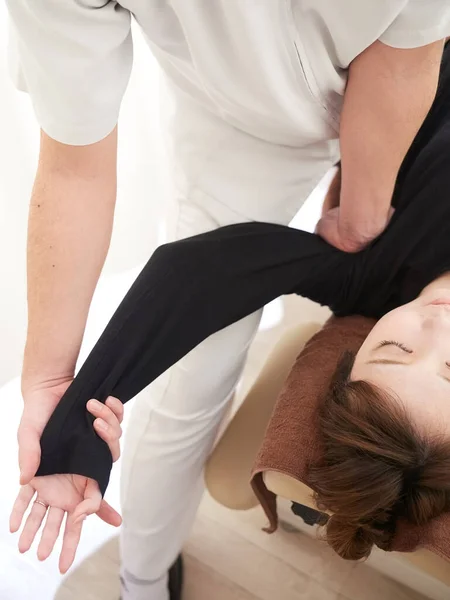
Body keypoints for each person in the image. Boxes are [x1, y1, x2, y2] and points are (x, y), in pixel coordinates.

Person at [5, 2, 450, 599]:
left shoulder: (373, 275)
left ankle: (140, 579)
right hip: (274, 97)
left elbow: (196, 274)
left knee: (196, 378)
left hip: (374, 79)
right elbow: (73, 169)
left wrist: (69, 406)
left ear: (361, 337)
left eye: (394, 346)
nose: (436, 327)